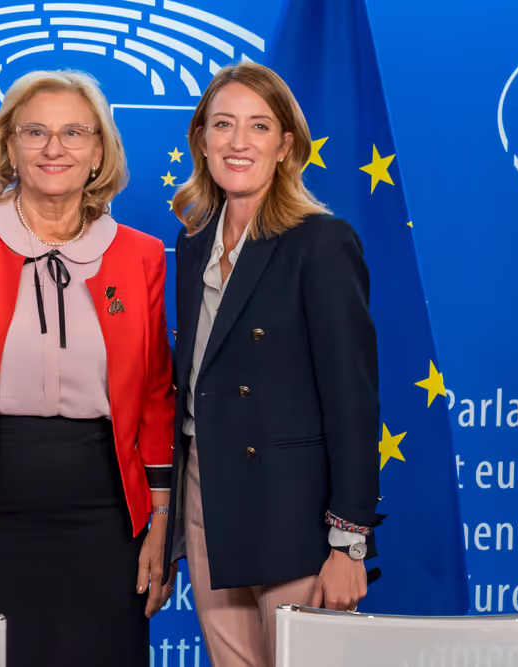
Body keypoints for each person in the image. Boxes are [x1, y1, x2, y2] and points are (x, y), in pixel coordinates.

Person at [0, 70, 177, 667]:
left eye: (73, 133)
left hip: (108, 510)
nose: (54, 149)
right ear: (10, 146)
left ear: (99, 152)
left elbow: (158, 397)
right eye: (35, 132)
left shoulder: (140, 253)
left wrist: (160, 522)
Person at [163, 62, 383, 667]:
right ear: (201, 139)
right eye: (223, 125)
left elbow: (352, 402)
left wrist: (348, 544)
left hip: (294, 513)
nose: (238, 142)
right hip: (210, 495)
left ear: (286, 145)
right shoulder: (192, 241)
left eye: (258, 126)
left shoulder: (321, 241)